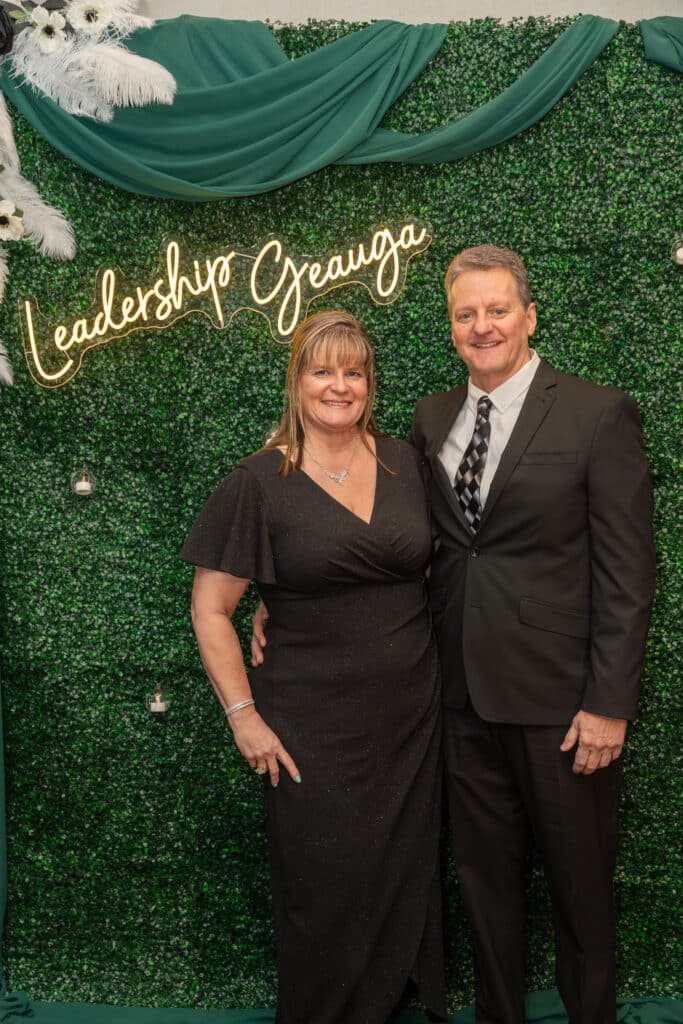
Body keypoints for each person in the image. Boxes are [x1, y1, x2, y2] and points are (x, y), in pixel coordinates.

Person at [409, 245, 656, 1024]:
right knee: (483, 884)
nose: (481, 326)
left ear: (528, 316)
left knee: (580, 887)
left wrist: (608, 704)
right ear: (451, 326)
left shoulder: (596, 413)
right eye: (465, 313)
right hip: (460, 695)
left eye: (496, 309)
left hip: (563, 705)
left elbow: (627, 573)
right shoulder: (429, 418)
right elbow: (408, 539)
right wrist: (285, 599)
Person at [180, 310, 446, 1024]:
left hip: (410, 720)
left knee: (400, 872)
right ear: (296, 381)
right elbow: (211, 609)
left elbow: (440, 570)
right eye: (321, 371)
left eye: (353, 372)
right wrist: (243, 717)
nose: (339, 386)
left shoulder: (406, 464)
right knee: (321, 880)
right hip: (308, 724)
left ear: (369, 383)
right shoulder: (259, 480)